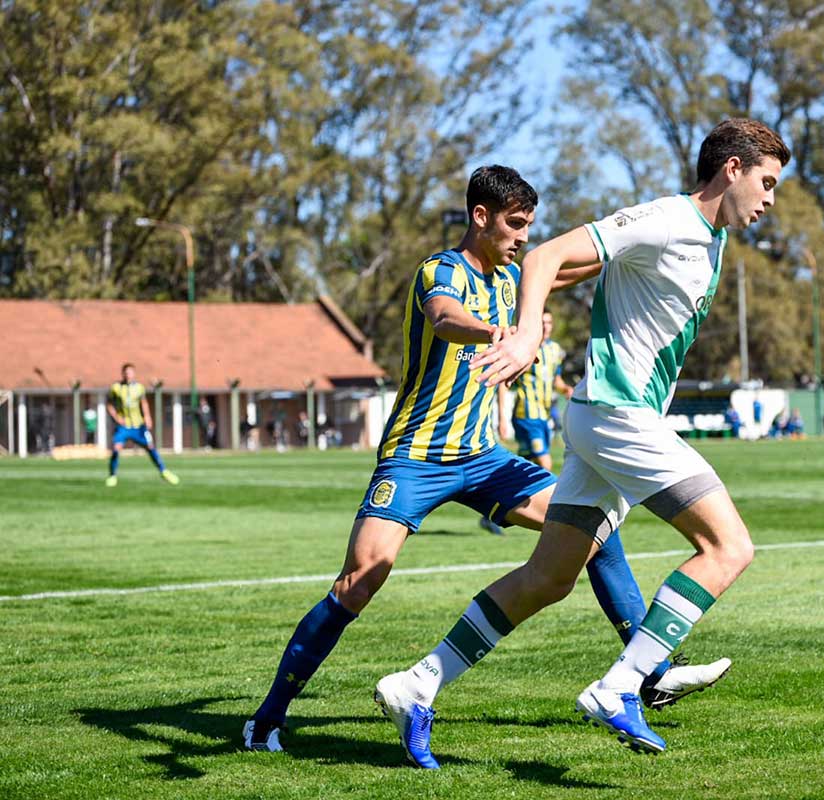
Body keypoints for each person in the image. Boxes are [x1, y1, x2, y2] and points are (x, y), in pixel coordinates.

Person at [243, 165, 729, 756]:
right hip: (415, 457)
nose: (524, 236)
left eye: (530, 226)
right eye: (515, 224)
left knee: (597, 529)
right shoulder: (440, 271)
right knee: (360, 581)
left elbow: (591, 260)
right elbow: (446, 320)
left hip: (483, 458)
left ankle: (647, 674)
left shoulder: (512, 276)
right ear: (481, 217)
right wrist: (501, 332)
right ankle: (267, 718)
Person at [373, 118, 789, 764]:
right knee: (727, 546)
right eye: (766, 182)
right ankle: (621, 685)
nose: (769, 199)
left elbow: (577, 272)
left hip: (607, 420)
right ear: (731, 169)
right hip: (620, 415)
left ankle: (418, 682)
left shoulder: (709, 241)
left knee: (549, 576)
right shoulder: (667, 218)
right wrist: (525, 334)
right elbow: (544, 256)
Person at [478, 310, 571, 535]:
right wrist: (500, 418)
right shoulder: (522, 347)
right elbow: (501, 381)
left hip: (545, 417)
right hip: (525, 415)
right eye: (542, 322)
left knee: (522, 466)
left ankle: (492, 511)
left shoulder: (555, 350)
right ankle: (553, 518)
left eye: (549, 322)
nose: (546, 326)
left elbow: (555, 379)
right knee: (545, 464)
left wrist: (568, 389)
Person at [105, 363, 179, 486]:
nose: (128, 374)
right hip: (123, 426)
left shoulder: (139, 388)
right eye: (126, 372)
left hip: (138, 426)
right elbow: (109, 404)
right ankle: (112, 476)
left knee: (150, 447)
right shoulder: (116, 388)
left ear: (134, 374)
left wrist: (148, 417)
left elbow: (144, 403)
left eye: (130, 372)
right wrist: (116, 417)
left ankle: (164, 471)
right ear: (122, 373)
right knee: (116, 449)